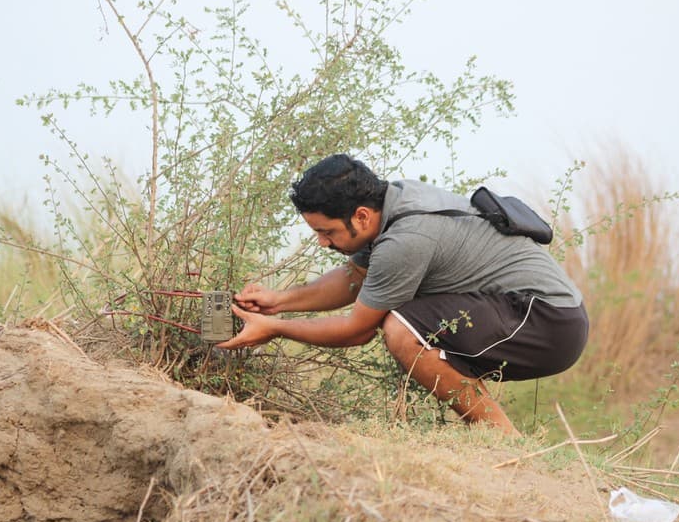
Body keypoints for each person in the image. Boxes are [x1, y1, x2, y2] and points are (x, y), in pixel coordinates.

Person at [217, 154, 588, 435]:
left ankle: (502, 439)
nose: (321, 242)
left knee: (401, 328)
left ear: (361, 216)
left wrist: (275, 328)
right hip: (534, 312)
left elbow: (356, 330)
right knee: (406, 321)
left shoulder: (405, 240)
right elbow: (357, 276)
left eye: (326, 231)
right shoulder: (393, 202)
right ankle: (499, 436)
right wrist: (279, 300)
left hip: (547, 321)